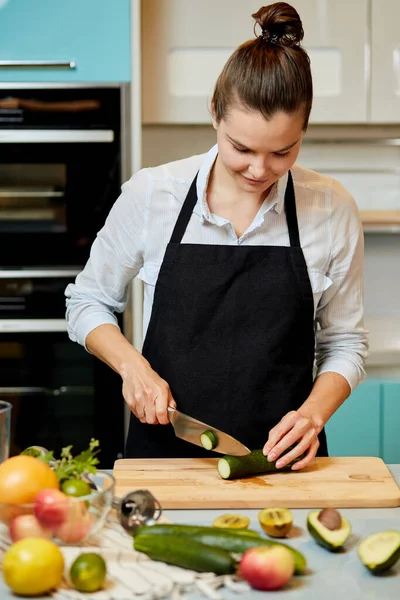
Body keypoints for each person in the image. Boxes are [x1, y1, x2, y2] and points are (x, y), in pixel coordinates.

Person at [65, 2, 368, 469]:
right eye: (241, 148)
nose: (258, 169)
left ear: (303, 132)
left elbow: (345, 343)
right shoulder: (154, 194)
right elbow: (86, 302)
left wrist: (312, 415)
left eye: (282, 152)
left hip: (283, 463)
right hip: (164, 461)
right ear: (214, 114)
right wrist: (133, 368)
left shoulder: (330, 208)